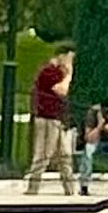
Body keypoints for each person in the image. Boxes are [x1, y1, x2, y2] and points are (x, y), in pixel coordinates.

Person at [28, 51, 73, 192]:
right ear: (61, 56)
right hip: (47, 118)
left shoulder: (57, 72)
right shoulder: (49, 72)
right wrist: (69, 74)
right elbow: (62, 91)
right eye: (69, 58)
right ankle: (33, 187)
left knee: (64, 155)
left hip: (56, 118)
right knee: (43, 154)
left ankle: (69, 188)